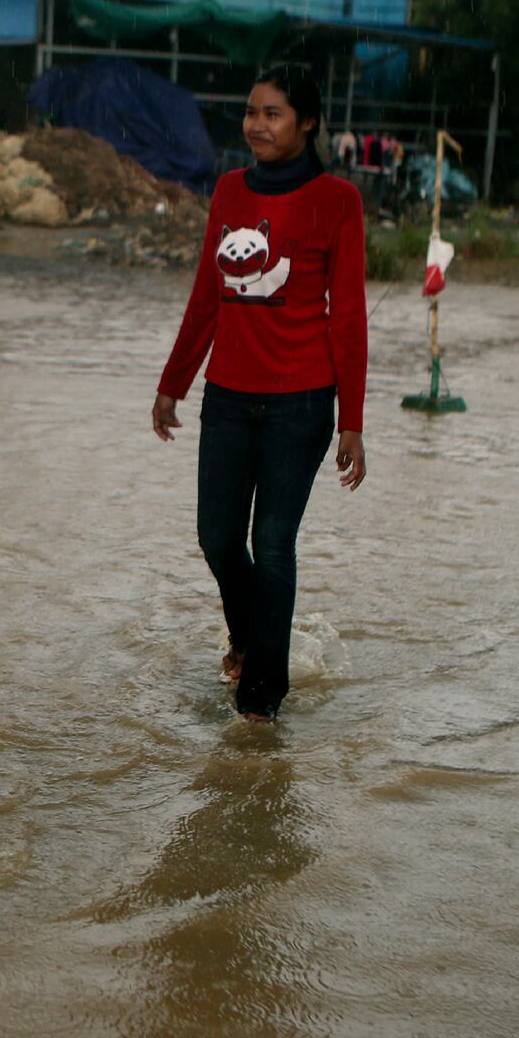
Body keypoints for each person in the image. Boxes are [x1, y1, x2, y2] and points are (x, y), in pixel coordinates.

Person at [151, 62, 368, 723]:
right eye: (251, 112)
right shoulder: (229, 191)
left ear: (306, 122)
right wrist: (173, 383)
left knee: (273, 544)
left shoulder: (338, 200)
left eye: (273, 113)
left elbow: (349, 314)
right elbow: (206, 297)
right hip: (228, 395)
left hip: (301, 403)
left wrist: (351, 419)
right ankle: (251, 636)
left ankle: (262, 696)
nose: (257, 125)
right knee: (217, 537)